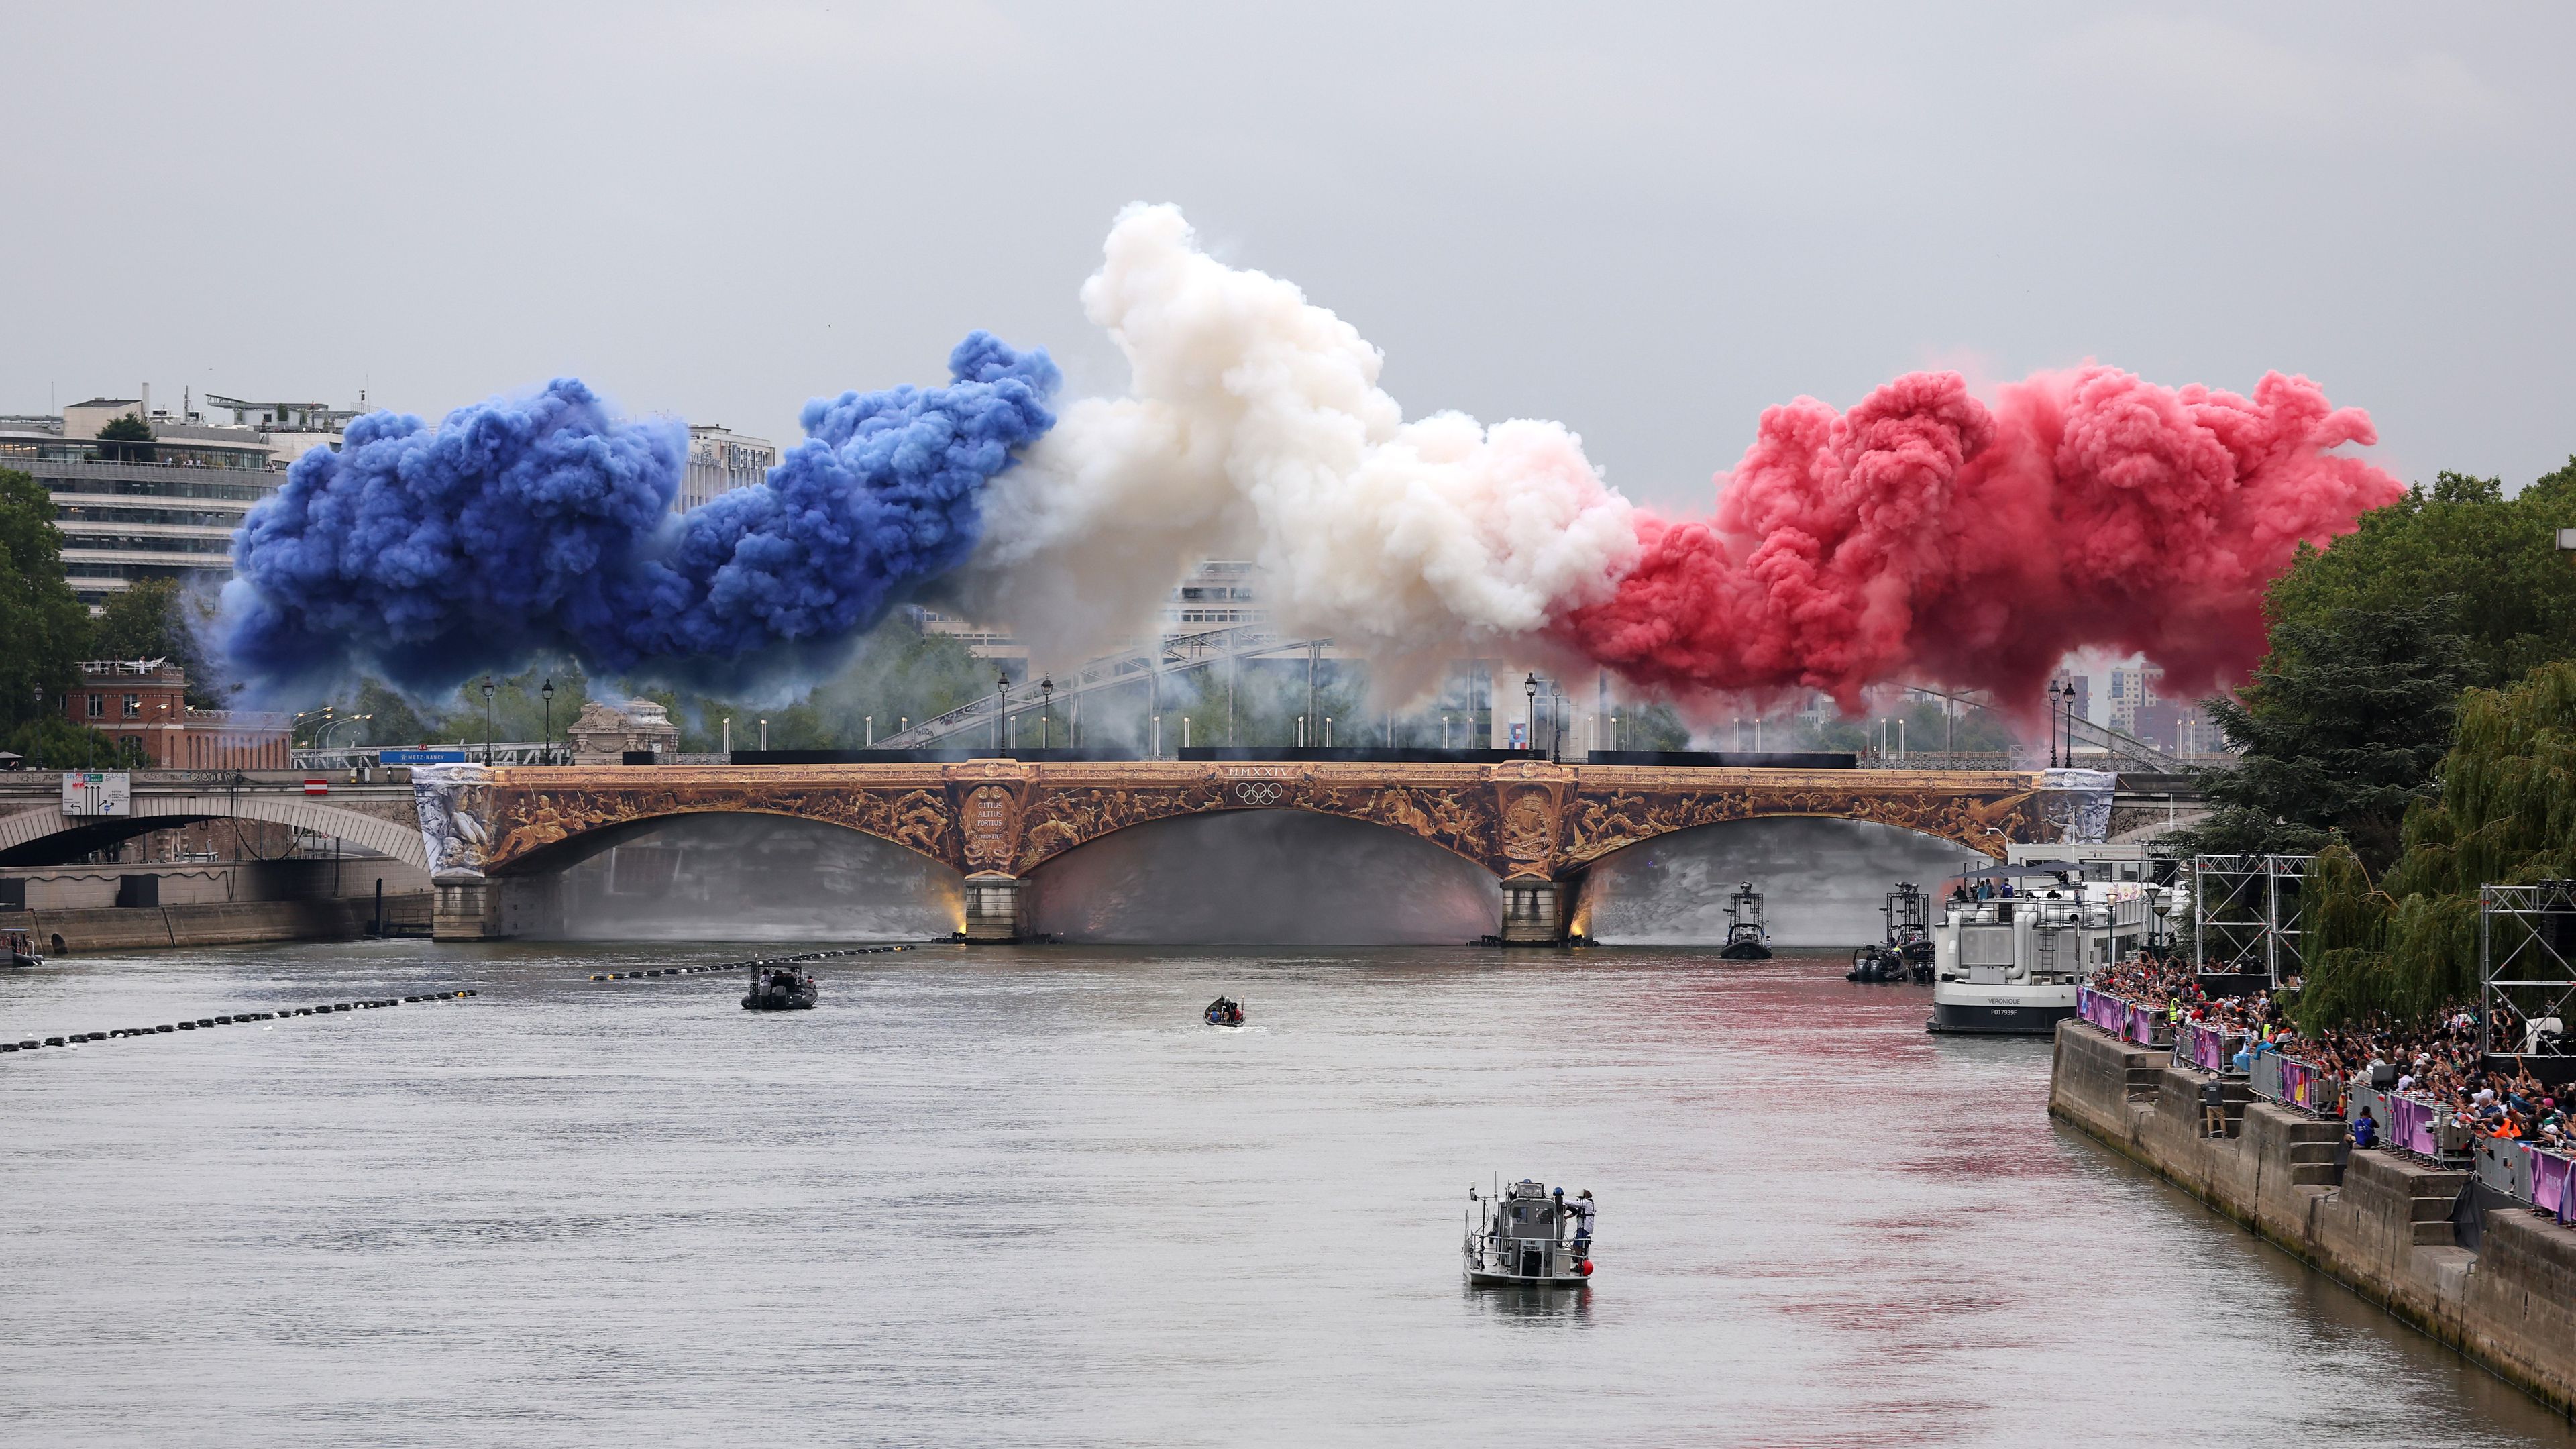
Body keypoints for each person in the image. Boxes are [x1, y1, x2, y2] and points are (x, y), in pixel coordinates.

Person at [1564, 1189, 1596, 1258]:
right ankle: (1580, 1260)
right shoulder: (1588, 1203)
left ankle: (1580, 1260)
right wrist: (1567, 1217)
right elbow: (1576, 1212)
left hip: (1584, 1227)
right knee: (1577, 1244)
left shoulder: (1586, 1203)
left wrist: (1561, 1200)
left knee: (1577, 1245)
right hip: (1583, 1226)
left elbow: (1572, 1204)